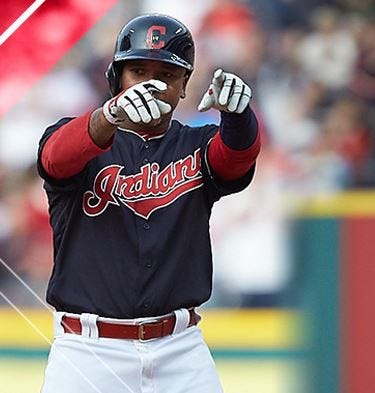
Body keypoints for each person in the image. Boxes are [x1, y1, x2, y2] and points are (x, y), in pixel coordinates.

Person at [37, 13, 260, 393]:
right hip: (87, 350)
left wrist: (239, 117)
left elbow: (235, 158)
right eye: (139, 71)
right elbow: (54, 159)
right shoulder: (76, 137)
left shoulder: (197, 144)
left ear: (185, 85)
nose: (154, 85)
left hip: (180, 349)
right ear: (116, 79)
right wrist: (110, 116)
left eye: (168, 75)